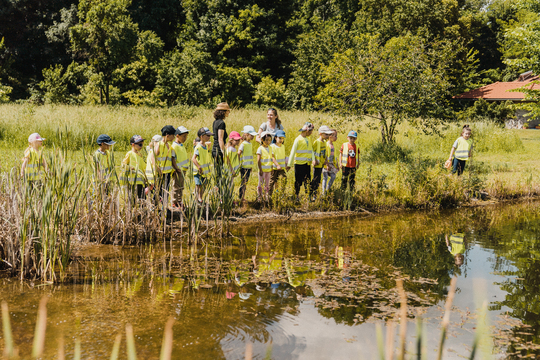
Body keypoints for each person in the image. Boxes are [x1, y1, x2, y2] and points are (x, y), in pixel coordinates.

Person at [287, 122, 315, 200]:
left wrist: (313, 159)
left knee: (307, 180)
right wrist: (289, 164)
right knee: (298, 181)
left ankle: (308, 196)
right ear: (307, 131)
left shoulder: (309, 139)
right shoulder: (298, 139)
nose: (311, 133)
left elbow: (311, 150)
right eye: (311, 131)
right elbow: (292, 152)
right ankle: (297, 195)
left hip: (307, 164)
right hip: (299, 165)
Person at [154, 125, 182, 202]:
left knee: (165, 191)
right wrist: (157, 168)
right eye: (173, 135)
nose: (174, 137)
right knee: (158, 190)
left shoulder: (169, 146)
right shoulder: (159, 145)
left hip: (167, 173)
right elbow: (154, 157)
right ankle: (154, 206)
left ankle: (164, 208)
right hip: (160, 172)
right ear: (167, 135)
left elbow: (172, 159)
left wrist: (176, 168)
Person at [120, 135, 147, 200]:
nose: (141, 146)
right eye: (140, 144)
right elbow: (123, 165)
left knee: (142, 198)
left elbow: (143, 166)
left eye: (142, 144)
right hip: (133, 181)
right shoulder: (129, 154)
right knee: (132, 198)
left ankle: (142, 209)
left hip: (140, 180)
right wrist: (129, 167)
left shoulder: (140, 154)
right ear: (133, 145)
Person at [192, 127, 214, 203]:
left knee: (203, 186)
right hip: (199, 171)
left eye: (209, 136)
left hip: (204, 172)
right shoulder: (199, 147)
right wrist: (199, 167)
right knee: (199, 185)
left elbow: (209, 143)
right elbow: (193, 159)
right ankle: (197, 199)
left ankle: (200, 199)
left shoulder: (205, 146)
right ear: (201, 136)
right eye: (207, 136)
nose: (209, 137)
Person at [311, 125, 333, 198]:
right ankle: (312, 194)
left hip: (321, 165)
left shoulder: (324, 143)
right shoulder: (316, 142)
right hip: (317, 165)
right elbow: (311, 152)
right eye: (326, 134)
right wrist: (313, 160)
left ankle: (315, 194)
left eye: (328, 134)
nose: (327, 136)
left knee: (318, 180)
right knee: (315, 180)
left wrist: (327, 164)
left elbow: (324, 154)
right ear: (321, 134)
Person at [171, 126, 190, 209]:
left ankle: (179, 201)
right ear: (177, 136)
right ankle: (174, 202)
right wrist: (175, 168)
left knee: (181, 186)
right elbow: (173, 159)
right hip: (178, 170)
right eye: (183, 136)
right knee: (176, 186)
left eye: (186, 136)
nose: (185, 138)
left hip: (183, 170)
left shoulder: (181, 145)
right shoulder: (174, 146)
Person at [238, 125, 258, 202]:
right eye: (251, 135)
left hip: (248, 167)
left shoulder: (249, 144)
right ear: (246, 134)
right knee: (243, 182)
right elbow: (239, 153)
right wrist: (239, 163)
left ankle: (242, 197)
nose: (253, 136)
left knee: (245, 182)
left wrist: (250, 166)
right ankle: (241, 197)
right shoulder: (243, 144)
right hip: (244, 166)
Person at [212, 102, 231, 175]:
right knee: (219, 173)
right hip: (218, 150)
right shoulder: (221, 123)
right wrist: (223, 151)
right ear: (223, 112)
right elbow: (220, 138)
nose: (229, 112)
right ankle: (218, 186)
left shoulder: (215, 122)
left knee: (217, 171)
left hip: (214, 149)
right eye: (228, 111)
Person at [269, 129, 289, 197]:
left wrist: (286, 165)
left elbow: (283, 156)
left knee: (284, 179)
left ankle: (280, 193)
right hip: (274, 168)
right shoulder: (272, 146)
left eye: (282, 138)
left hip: (282, 168)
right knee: (272, 181)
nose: (281, 140)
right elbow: (272, 157)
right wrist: (277, 165)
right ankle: (269, 195)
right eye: (279, 138)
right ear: (275, 138)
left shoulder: (283, 146)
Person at [256, 131, 273, 202]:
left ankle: (265, 196)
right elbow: (258, 160)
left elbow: (271, 158)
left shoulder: (270, 148)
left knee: (267, 184)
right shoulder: (260, 149)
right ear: (262, 140)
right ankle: (259, 197)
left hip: (268, 170)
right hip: (262, 170)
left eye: (269, 140)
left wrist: (272, 168)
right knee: (261, 184)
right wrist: (260, 169)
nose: (268, 142)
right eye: (266, 140)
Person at [322, 129, 339, 195]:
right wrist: (326, 164)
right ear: (330, 136)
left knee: (333, 176)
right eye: (334, 135)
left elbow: (334, 156)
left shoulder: (332, 145)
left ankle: (327, 190)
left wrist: (336, 164)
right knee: (325, 177)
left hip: (332, 163)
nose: (336, 137)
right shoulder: (326, 144)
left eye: (336, 136)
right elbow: (325, 154)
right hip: (326, 163)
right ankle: (323, 193)